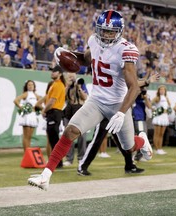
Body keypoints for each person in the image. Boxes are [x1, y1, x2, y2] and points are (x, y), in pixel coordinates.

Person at [28, 10, 153, 190]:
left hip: (118, 103)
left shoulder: (126, 50)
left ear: (119, 31)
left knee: (129, 146)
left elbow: (133, 87)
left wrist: (120, 112)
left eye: (110, 31)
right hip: (96, 100)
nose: (106, 34)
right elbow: (85, 60)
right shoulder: (94, 41)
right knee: (70, 131)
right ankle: (45, 176)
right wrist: (66, 54)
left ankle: (141, 140)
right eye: (103, 30)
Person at [43, 65, 66, 166]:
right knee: (53, 138)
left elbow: (52, 101)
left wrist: (44, 110)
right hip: (53, 113)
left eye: (54, 71)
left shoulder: (58, 85)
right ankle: (57, 162)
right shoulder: (54, 84)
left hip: (54, 112)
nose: (52, 73)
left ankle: (57, 162)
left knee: (54, 138)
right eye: (52, 71)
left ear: (60, 74)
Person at [63, 75, 88, 166]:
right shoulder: (68, 87)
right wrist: (68, 85)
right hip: (69, 112)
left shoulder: (82, 85)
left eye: (73, 77)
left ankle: (81, 159)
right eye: (70, 77)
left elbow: (84, 97)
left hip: (80, 111)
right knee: (69, 137)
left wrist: (79, 88)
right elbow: (63, 97)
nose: (72, 79)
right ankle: (69, 159)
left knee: (82, 137)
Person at [13, 80, 41, 151]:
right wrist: (22, 108)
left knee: (30, 136)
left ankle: (29, 152)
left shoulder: (36, 95)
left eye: (32, 85)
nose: (30, 86)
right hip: (27, 116)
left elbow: (39, 104)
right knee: (26, 136)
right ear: (26, 86)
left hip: (33, 116)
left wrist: (38, 111)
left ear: (34, 86)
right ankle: (26, 153)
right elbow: (16, 100)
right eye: (29, 85)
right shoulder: (26, 94)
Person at [35, 80, 54, 159]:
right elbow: (37, 104)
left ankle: (54, 158)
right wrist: (45, 110)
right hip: (49, 118)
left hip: (56, 117)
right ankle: (50, 158)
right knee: (49, 140)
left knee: (54, 140)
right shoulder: (47, 96)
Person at [151, 85, 171, 155]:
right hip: (158, 117)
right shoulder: (157, 98)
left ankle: (160, 148)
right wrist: (155, 110)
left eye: (163, 90)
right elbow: (150, 104)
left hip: (164, 117)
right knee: (157, 134)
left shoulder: (166, 98)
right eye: (160, 90)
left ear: (165, 91)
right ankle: (156, 148)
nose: (162, 91)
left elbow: (169, 106)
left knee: (162, 134)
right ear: (158, 91)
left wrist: (168, 110)